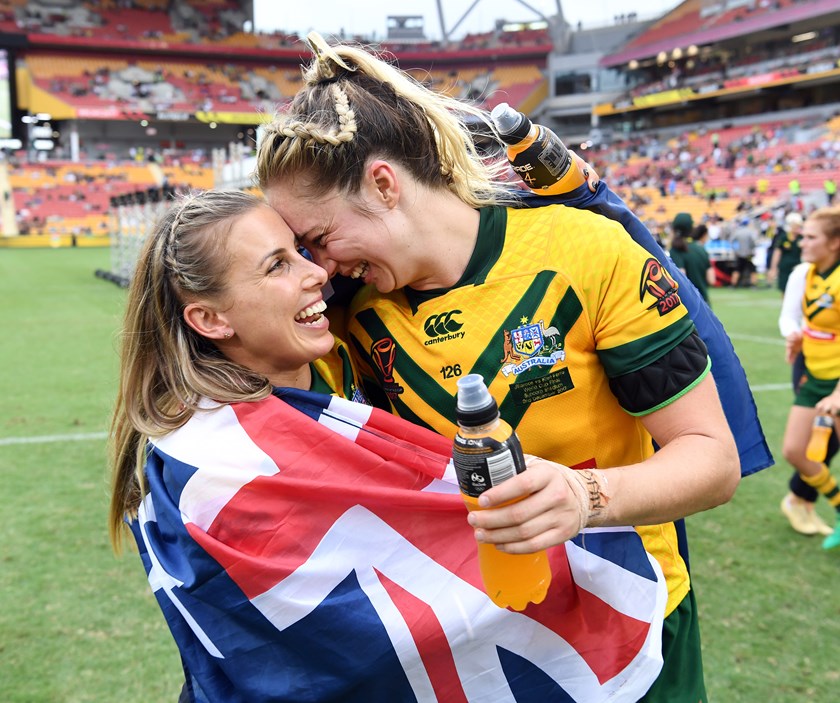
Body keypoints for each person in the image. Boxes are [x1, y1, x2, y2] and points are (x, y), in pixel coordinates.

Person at [257, 35, 742, 702]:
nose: (322, 267)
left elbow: (712, 459)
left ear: (383, 184)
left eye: (320, 238)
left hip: (632, 615)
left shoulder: (586, 252)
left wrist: (584, 497)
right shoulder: (353, 316)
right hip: (480, 636)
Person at [109, 189, 678, 701]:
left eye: (302, 251)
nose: (316, 273)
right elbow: (325, 647)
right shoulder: (221, 463)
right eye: (277, 265)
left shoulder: (335, 359)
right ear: (209, 319)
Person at [779, 205, 840, 549]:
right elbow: (808, 320)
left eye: (811, 237)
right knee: (795, 450)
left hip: (837, 382)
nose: (802, 242)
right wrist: (800, 336)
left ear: (834, 243)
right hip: (814, 376)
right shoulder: (809, 272)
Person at [669, 213, 714, 303]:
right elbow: (712, 280)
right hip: (704, 304)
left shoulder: (676, 250)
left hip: (687, 305)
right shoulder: (701, 248)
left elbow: (681, 278)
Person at [767, 211, 803, 294]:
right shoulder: (783, 237)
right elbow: (777, 253)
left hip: (797, 266)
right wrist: (773, 268)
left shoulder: (801, 238)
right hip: (784, 267)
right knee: (784, 289)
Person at [730, 217, 757, 288]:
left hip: (739, 254)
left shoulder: (738, 231)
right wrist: (752, 249)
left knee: (737, 269)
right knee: (752, 270)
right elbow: (754, 242)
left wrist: (735, 250)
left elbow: (731, 241)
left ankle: (733, 284)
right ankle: (753, 285)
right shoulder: (750, 231)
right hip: (749, 254)